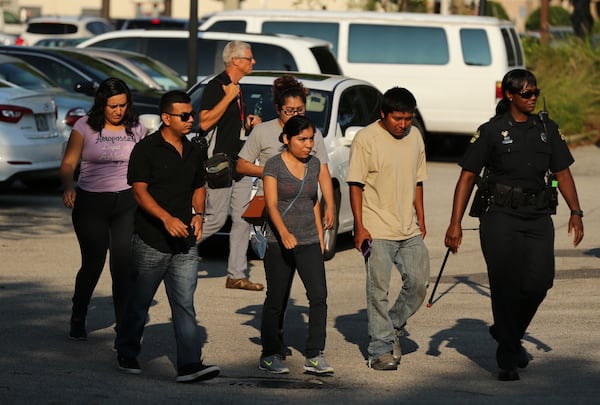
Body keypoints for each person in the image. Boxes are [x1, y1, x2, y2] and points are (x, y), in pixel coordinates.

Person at [444, 69, 584, 382]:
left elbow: (562, 172)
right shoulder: (491, 131)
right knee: (505, 285)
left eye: (535, 92)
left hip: (537, 216)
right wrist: (455, 223)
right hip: (499, 216)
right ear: (510, 95)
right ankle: (507, 358)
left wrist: (576, 211)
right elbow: (467, 176)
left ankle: (506, 332)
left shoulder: (547, 129)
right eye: (526, 93)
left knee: (540, 281)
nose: (532, 97)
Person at [115, 90, 220, 383]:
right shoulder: (146, 149)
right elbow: (139, 191)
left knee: (185, 303)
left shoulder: (195, 149)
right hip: (151, 239)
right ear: (166, 118)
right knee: (140, 302)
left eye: (192, 115)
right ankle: (126, 349)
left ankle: (189, 364)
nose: (190, 120)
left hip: (185, 242)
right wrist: (165, 218)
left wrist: (198, 215)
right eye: (184, 116)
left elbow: (200, 185)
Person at [347, 87, 430, 371]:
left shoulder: (415, 136)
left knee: (419, 283)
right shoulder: (366, 139)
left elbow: (418, 180)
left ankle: (391, 326)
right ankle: (379, 350)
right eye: (398, 118)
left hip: (409, 227)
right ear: (383, 114)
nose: (403, 124)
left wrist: (421, 215)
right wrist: (359, 227)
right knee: (378, 290)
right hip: (376, 227)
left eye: (408, 118)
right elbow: (355, 185)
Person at [60, 77, 146, 341]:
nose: (118, 111)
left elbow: (144, 165)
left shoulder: (137, 128)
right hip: (91, 202)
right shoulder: (84, 126)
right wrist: (68, 187)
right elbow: (69, 162)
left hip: (126, 202)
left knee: (122, 265)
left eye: (122, 105)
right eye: (112, 106)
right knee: (93, 263)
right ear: (102, 105)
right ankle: (78, 315)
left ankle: (123, 325)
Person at [259, 115, 333, 375]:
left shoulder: (314, 164)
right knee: (276, 299)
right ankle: (269, 353)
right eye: (302, 139)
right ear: (286, 139)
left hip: (309, 239)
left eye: (311, 138)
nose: (308, 144)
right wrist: (284, 232)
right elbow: (271, 205)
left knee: (319, 297)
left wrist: (320, 235)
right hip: (279, 241)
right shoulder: (273, 165)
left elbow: (312, 199)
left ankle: (314, 354)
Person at [198, 40, 263, 291]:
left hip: (238, 163)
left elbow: (226, 127)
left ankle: (236, 275)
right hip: (219, 165)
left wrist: (247, 124)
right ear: (235, 61)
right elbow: (204, 123)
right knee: (214, 220)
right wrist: (227, 99)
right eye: (249, 58)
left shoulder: (237, 88)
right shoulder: (218, 86)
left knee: (242, 219)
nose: (253, 61)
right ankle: (170, 250)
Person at [236, 74, 335, 227]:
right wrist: (272, 173)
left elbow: (323, 171)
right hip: (270, 203)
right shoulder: (262, 131)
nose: (295, 115)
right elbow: (241, 165)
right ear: (278, 109)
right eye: (289, 111)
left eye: (300, 110)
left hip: (304, 204)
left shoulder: (313, 134)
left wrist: (329, 205)